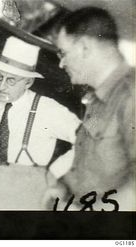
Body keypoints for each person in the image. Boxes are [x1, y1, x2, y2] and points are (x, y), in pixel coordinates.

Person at [0, 36, 81, 210]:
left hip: (29, 193)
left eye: (11, 80)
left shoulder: (48, 109)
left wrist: (55, 171)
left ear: (28, 82)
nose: (2, 87)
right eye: (0, 78)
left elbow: (88, 140)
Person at [47, 7, 135, 211]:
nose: (61, 64)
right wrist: (62, 187)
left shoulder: (131, 97)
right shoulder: (96, 99)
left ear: (84, 48)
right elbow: (91, 162)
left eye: (64, 53)